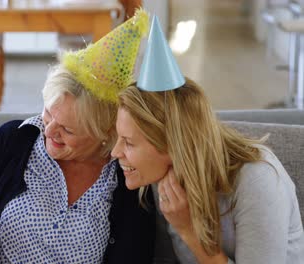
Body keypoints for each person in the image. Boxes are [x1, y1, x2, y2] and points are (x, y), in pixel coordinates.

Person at [0, 10, 155, 263]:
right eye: (48, 113)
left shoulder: (127, 177)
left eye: (67, 129)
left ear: (104, 133)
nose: (49, 130)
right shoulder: (13, 140)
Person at [111, 16, 304, 263]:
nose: (115, 152)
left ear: (172, 143)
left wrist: (188, 231)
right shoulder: (165, 177)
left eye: (128, 142)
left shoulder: (256, 181)